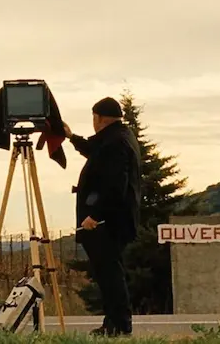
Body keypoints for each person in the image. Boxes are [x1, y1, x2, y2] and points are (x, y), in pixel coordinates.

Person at [62, 96, 142, 337]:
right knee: (108, 273)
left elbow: (114, 185)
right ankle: (114, 322)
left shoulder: (115, 142)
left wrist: (94, 215)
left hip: (107, 222)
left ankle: (118, 325)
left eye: (94, 118)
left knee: (110, 274)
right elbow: (96, 153)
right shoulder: (118, 137)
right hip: (112, 219)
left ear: (99, 118)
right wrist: (71, 137)